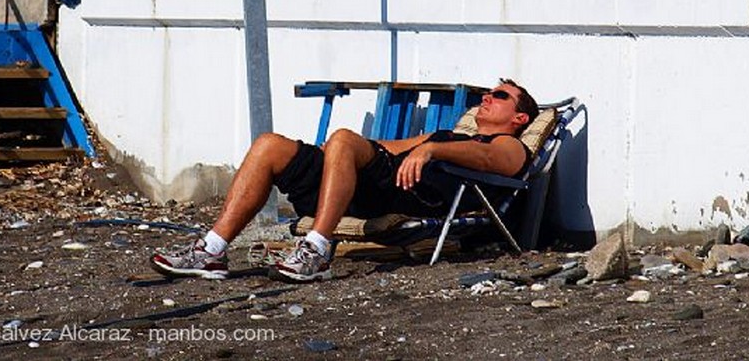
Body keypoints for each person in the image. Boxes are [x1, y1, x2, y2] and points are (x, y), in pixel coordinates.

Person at [150, 79, 539, 283]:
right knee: (270, 146)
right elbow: (388, 145)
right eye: (489, 92)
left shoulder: (511, 146)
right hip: (372, 187)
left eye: (500, 95)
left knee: (344, 139)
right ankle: (211, 251)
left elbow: (488, 158)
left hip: (408, 199)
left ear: (519, 117)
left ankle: (316, 252)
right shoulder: (449, 136)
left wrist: (431, 151)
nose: (487, 96)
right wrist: (332, 156)